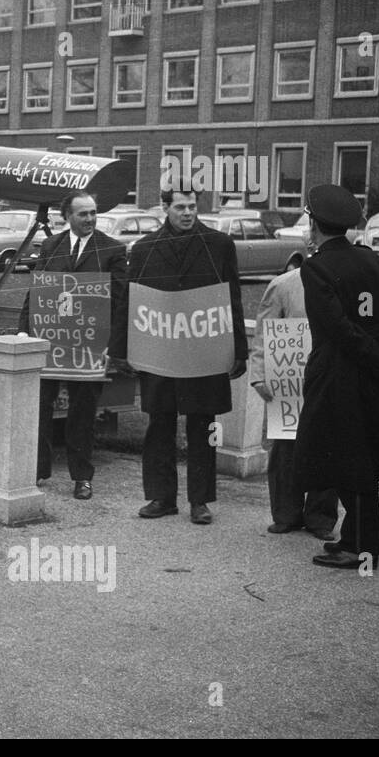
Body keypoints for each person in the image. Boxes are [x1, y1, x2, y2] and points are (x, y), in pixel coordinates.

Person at [293, 184, 379, 569]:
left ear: (315, 224)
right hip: (374, 379)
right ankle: (354, 538)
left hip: (338, 378)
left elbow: (338, 329)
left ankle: (362, 548)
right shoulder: (371, 260)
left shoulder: (315, 267)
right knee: (361, 458)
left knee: (350, 463)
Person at [109, 188, 246, 525]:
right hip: (160, 351)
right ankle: (162, 497)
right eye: (180, 207)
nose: (187, 213)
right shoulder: (143, 249)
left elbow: (233, 298)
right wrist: (120, 351)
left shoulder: (219, 245)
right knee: (160, 424)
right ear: (165, 208)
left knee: (202, 425)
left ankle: (200, 501)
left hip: (204, 352)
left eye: (192, 207)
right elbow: (130, 300)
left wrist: (239, 350)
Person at [21, 192, 128, 499]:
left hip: (89, 347)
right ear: (66, 215)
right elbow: (37, 292)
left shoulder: (112, 249)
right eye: (83, 214)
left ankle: (82, 477)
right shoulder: (51, 246)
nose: (90, 219)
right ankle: (38, 470)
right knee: (40, 406)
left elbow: (121, 302)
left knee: (83, 414)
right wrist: (25, 331)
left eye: (93, 213)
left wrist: (113, 348)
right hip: (52, 343)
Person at [248, 260, 338, 541]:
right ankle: (286, 514)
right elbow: (265, 330)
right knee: (287, 447)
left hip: (331, 377)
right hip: (288, 376)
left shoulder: (346, 281)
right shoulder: (284, 285)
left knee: (328, 445)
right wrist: (259, 374)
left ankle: (320, 517)